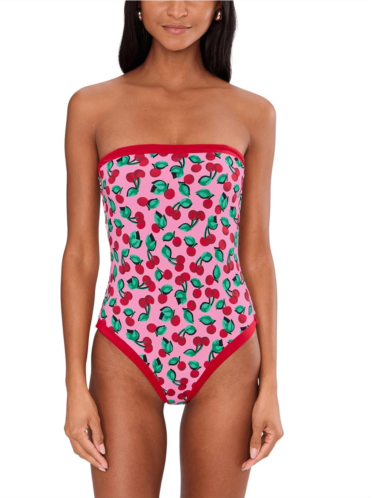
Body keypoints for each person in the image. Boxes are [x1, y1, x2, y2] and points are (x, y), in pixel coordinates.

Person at [62, 1, 283, 496]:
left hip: (226, 344)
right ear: (137, 6)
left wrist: (270, 383)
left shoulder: (253, 113)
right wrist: (74, 382)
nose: (178, 9)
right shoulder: (91, 107)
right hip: (126, 342)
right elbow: (80, 254)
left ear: (219, 8)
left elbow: (256, 255)